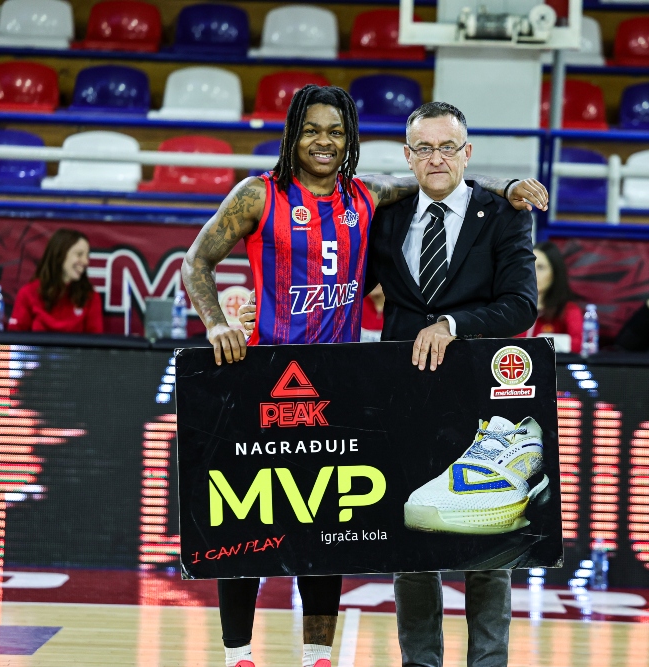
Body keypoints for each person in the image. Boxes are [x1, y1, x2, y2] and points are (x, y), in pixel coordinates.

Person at [180, 86, 548, 667]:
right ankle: (241, 655)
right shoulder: (273, 195)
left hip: (363, 382)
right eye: (311, 129)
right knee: (251, 519)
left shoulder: (373, 197)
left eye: (335, 131)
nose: (323, 141)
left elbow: (448, 189)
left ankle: (322, 657)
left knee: (331, 522)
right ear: (293, 135)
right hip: (277, 374)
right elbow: (201, 260)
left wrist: (505, 188)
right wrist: (222, 318)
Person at [364, 101, 539, 667]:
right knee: (413, 535)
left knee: (487, 542)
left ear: (467, 153)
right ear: (408, 156)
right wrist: (263, 308)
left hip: (480, 397)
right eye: (424, 148)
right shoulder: (385, 216)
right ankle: (420, 661)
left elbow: (522, 305)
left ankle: (488, 663)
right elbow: (339, 286)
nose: (435, 158)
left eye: (447, 147)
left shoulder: (505, 214)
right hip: (403, 393)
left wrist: (453, 325)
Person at [8, 228, 103, 333]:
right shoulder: (28, 293)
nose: (86, 262)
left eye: (87, 256)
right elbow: (15, 338)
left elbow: (95, 340)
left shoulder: (90, 296)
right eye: (79, 254)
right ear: (59, 255)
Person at [516, 241, 581, 353]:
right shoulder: (514, 307)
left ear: (555, 273)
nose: (533, 273)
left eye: (540, 267)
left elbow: (579, 346)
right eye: (530, 266)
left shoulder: (568, 310)